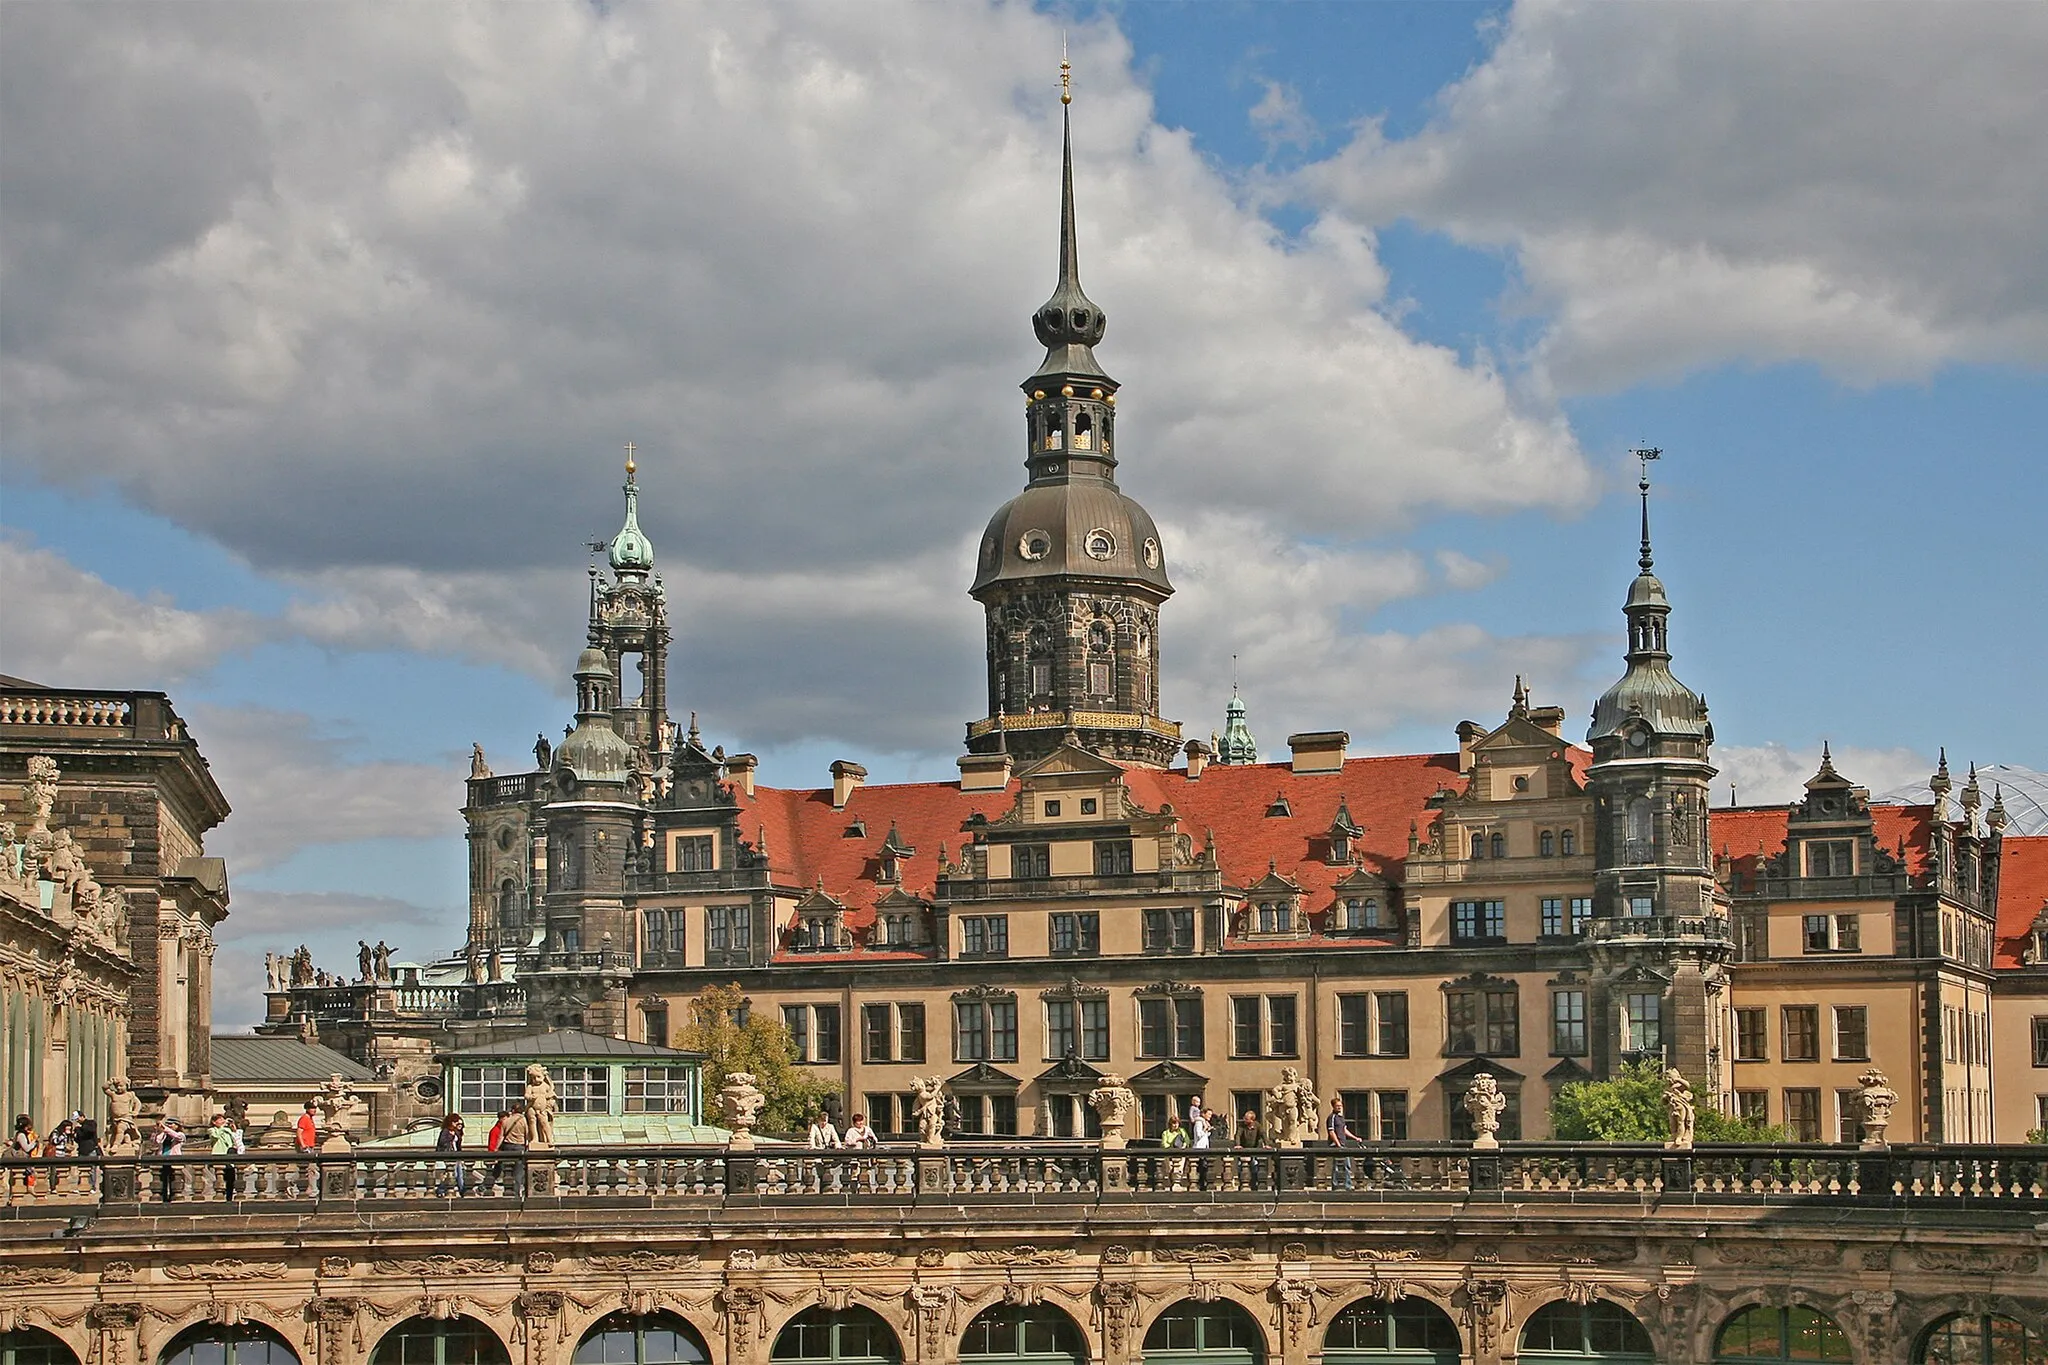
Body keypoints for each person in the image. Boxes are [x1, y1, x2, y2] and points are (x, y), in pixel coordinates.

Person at [205, 1112, 244, 1200]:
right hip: (219, 1154)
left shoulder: (228, 1130)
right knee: (220, 1176)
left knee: (231, 1177)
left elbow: (236, 1140)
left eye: (223, 1119)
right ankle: (220, 1194)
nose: (223, 1121)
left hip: (229, 1155)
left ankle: (229, 1197)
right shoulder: (212, 1130)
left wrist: (234, 1130)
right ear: (214, 1122)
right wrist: (223, 1128)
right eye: (220, 1119)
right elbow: (216, 1136)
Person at [841, 1112, 879, 1192]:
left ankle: (866, 1189)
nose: (860, 1123)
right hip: (855, 1156)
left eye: (861, 1121)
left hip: (866, 1155)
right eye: (858, 1121)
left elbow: (875, 1139)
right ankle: (853, 1190)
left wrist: (871, 1139)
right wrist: (857, 1140)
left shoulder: (867, 1129)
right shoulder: (851, 1131)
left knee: (866, 1172)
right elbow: (847, 1142)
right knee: (855, 1173)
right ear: (854, 1122)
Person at [806, 1110, 841, 1192]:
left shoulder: (830, 1126)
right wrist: (812, 1147)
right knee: (820, 1171)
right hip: (818, 1150)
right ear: (819, 1120)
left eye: (826, 1121)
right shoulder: (814, 1127)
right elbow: (811, 1138)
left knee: (828, 1170)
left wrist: (838, 1146)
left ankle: (826, 1188)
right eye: (822, 1121)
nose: (824, 1124)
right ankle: (823, 1188)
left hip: (827, 1151)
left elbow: (835, 1138)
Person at [1326, 1098, 1356, 1191]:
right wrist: (1337, 1143)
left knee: (1346, 1165)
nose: (1339, 1107)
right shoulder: (1332, 1117)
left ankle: (1347, 1184)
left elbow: (1344, 1130)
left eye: (1340, 1106)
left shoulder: (1341, 1118)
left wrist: (1355, 1138)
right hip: (1335, 1144)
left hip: (1343, 1143)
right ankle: (1336, 1184)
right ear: (1333, 1106)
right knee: (1337, 1165)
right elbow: (1331, 1132)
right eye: (1337, 1106)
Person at [434, 1114, 466, 1196]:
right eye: (455, 1122)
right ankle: (441, 1189)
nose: (456, 1124)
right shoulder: (445, 1131)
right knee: (453, 1174)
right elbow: (442, 1142)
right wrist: (451, 1137)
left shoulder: (456, 1132)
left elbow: (458, 1145)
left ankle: (462, 1190)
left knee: (459, 1174)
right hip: (449, 1155)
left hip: (456, 1155)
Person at [153, 1116, 183, 1202]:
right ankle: (163, 1196)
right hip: (162, 1158)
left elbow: (177, 1137)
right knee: (162, 1179)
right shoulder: (164, 1135)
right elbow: (156, 1142)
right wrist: (158, 1131)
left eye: (171, 1124)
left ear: (177, 1125)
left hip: (174, 1159)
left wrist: (165, 1128)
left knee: (174, 1178)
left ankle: (174, 1196)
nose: (169, 1125)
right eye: (168, 1124)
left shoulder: (181, 1134)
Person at [1159, 1113, 1190, 1190]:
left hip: (1180, 1153)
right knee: (1170, 1170)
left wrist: (1184, 1145)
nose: (1175, 1125)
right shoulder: (1166, 1133)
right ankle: (1171, 1184)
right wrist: (1171, 1147)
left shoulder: (1182, 1131)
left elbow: (1187, 1140)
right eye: (1174, 1123)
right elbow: (1164, 1144)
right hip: (1169, 1154)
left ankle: (1177, 1184)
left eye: (1177, 1123)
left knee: (1179, 1169)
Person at [1236, 1110, 1264, 1191]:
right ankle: (1241, 1184)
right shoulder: (1242, 1126)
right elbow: (1238, 1135)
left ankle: (1254, 1184)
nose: (1244, 1120)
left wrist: (1267, 1144)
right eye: (1244, 1118)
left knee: (1254, 1166)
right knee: (1240, 1166)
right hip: (1243, 1149)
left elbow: (1263, 1134)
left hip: (1254, 1149)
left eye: (1246, 1119)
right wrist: (1238, 1144)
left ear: (1252, 1120)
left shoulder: (1257, 1125)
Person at [1190, 1106, 1213, 1191]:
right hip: (1199, 1148)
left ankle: (1203, 1183)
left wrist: (1208, 1131)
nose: (1210, 1116)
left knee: (1204, 1167)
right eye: (1209, 1114)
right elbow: (1199, 1134)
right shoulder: (1199, 1122)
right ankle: (1201, 1184)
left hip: (1205, 1147)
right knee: (1201, 1167)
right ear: (1203, 1114)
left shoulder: (1205, 1122)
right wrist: (1205, 1129)